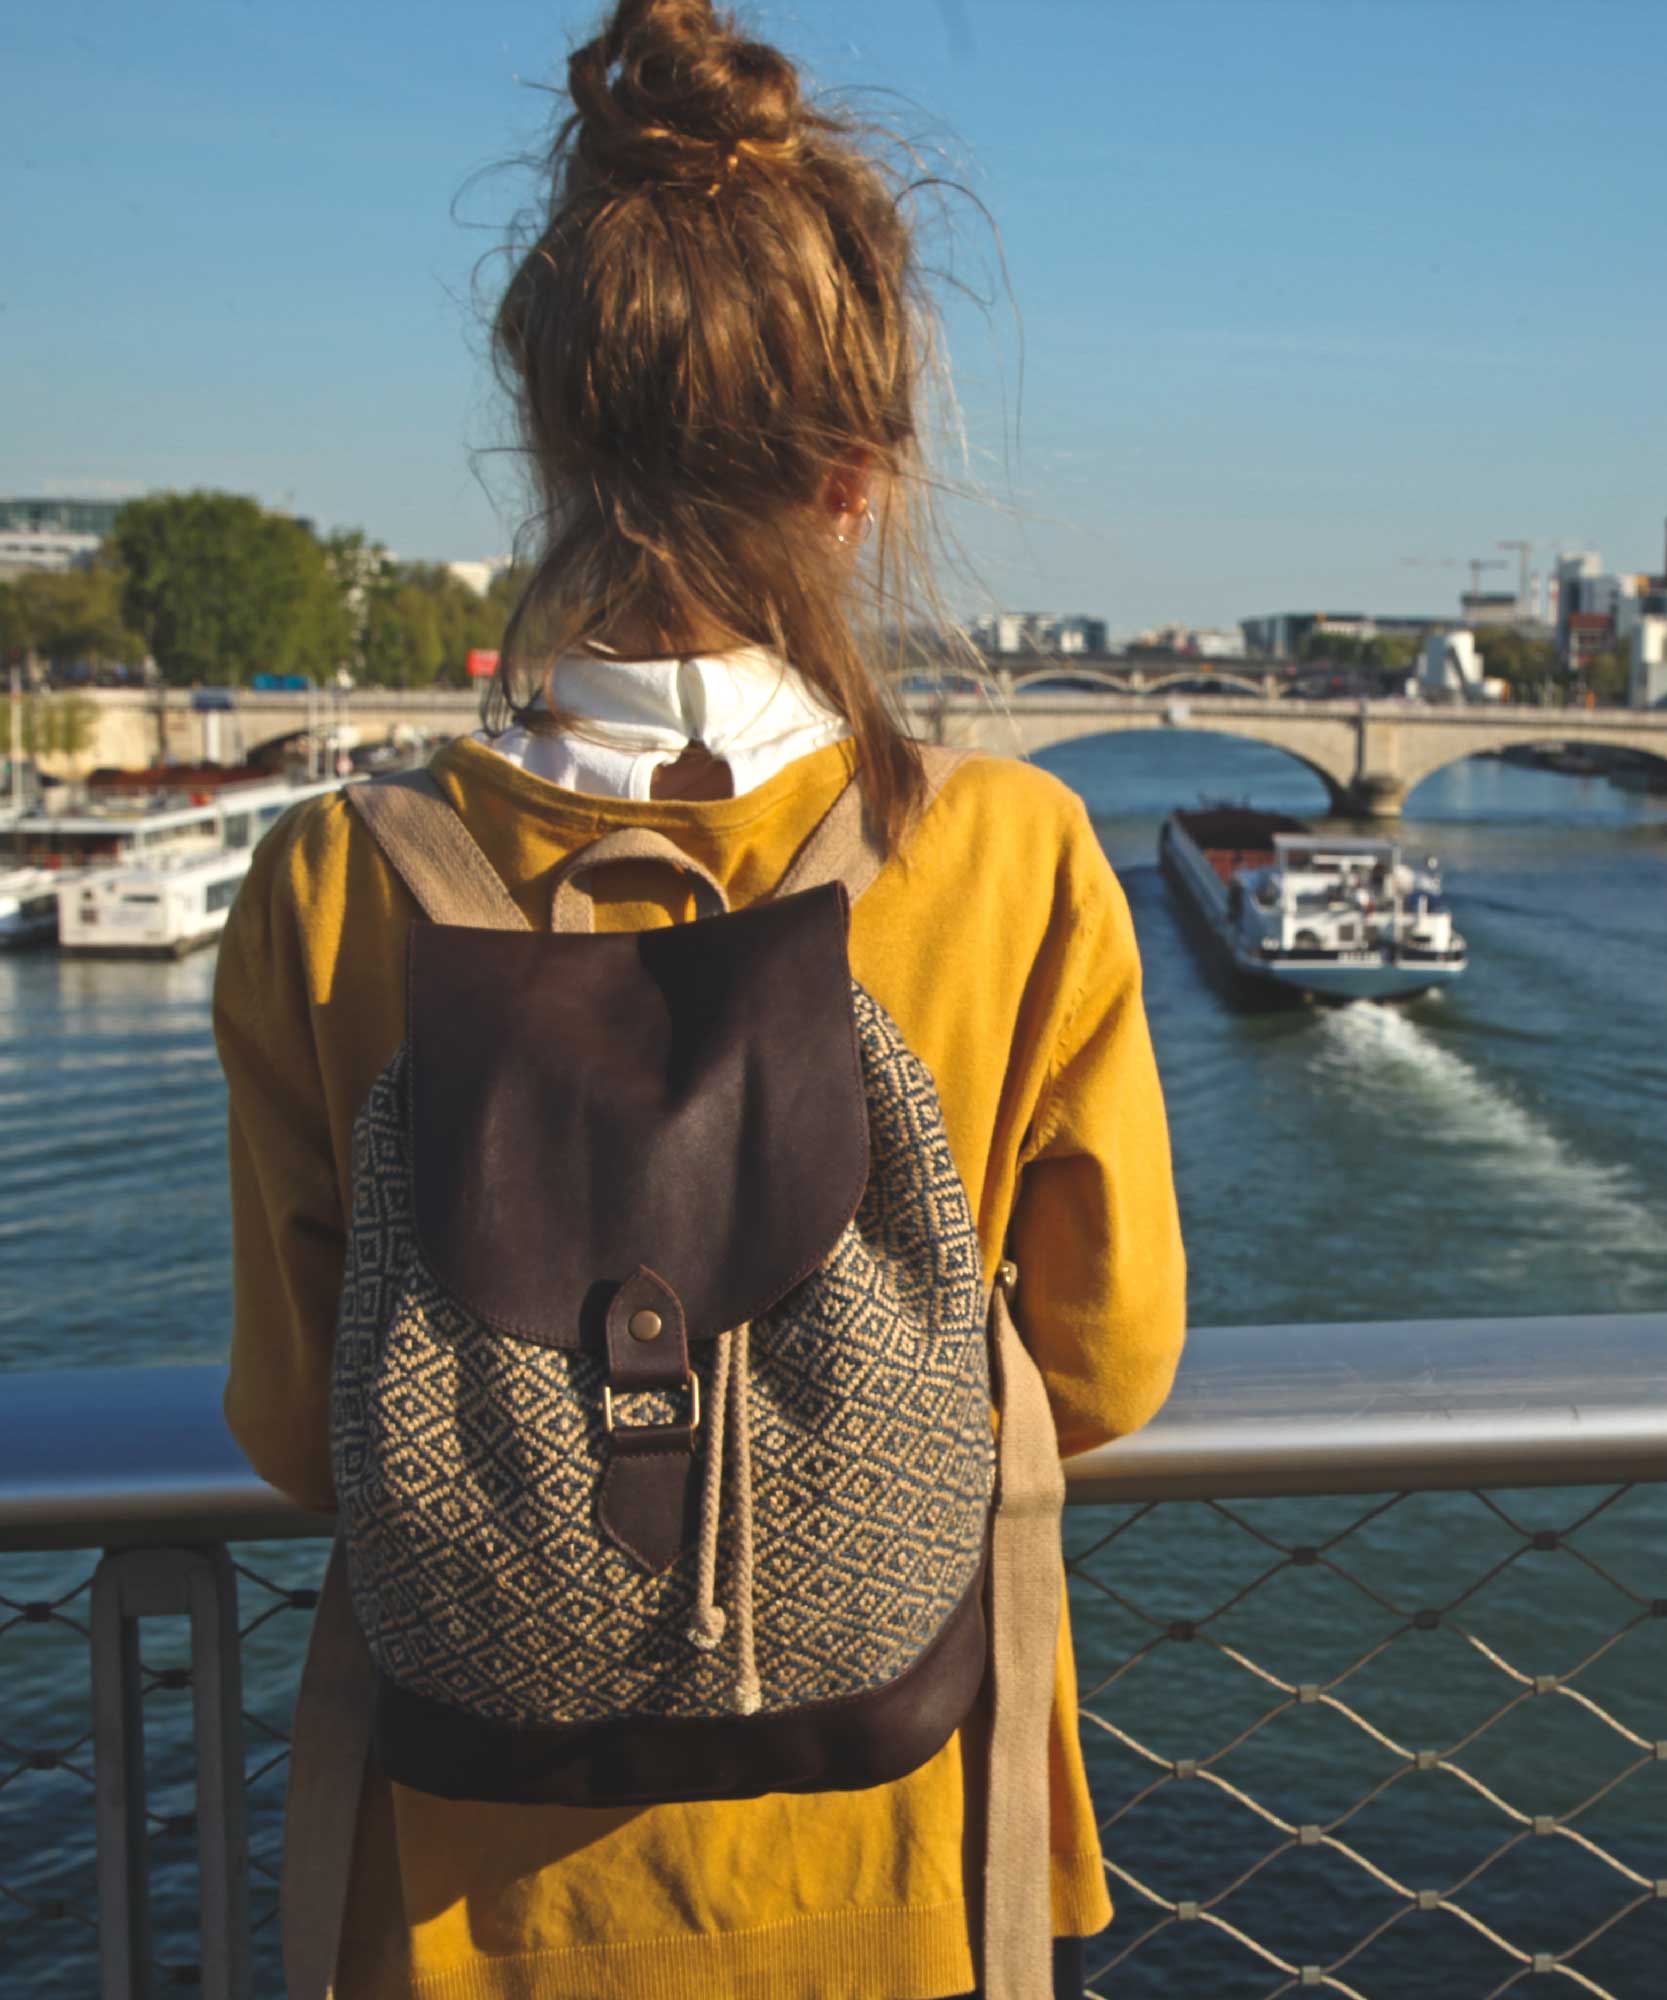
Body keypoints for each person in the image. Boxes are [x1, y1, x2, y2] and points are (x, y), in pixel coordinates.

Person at [214, 3, 1187, 1995]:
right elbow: (1108, 1362)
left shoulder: (334, 882)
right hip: (910, 1839)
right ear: (861, 469)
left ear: (554, 431)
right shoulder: (1004, 857)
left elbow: (302, 1430)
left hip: (472, 1882)